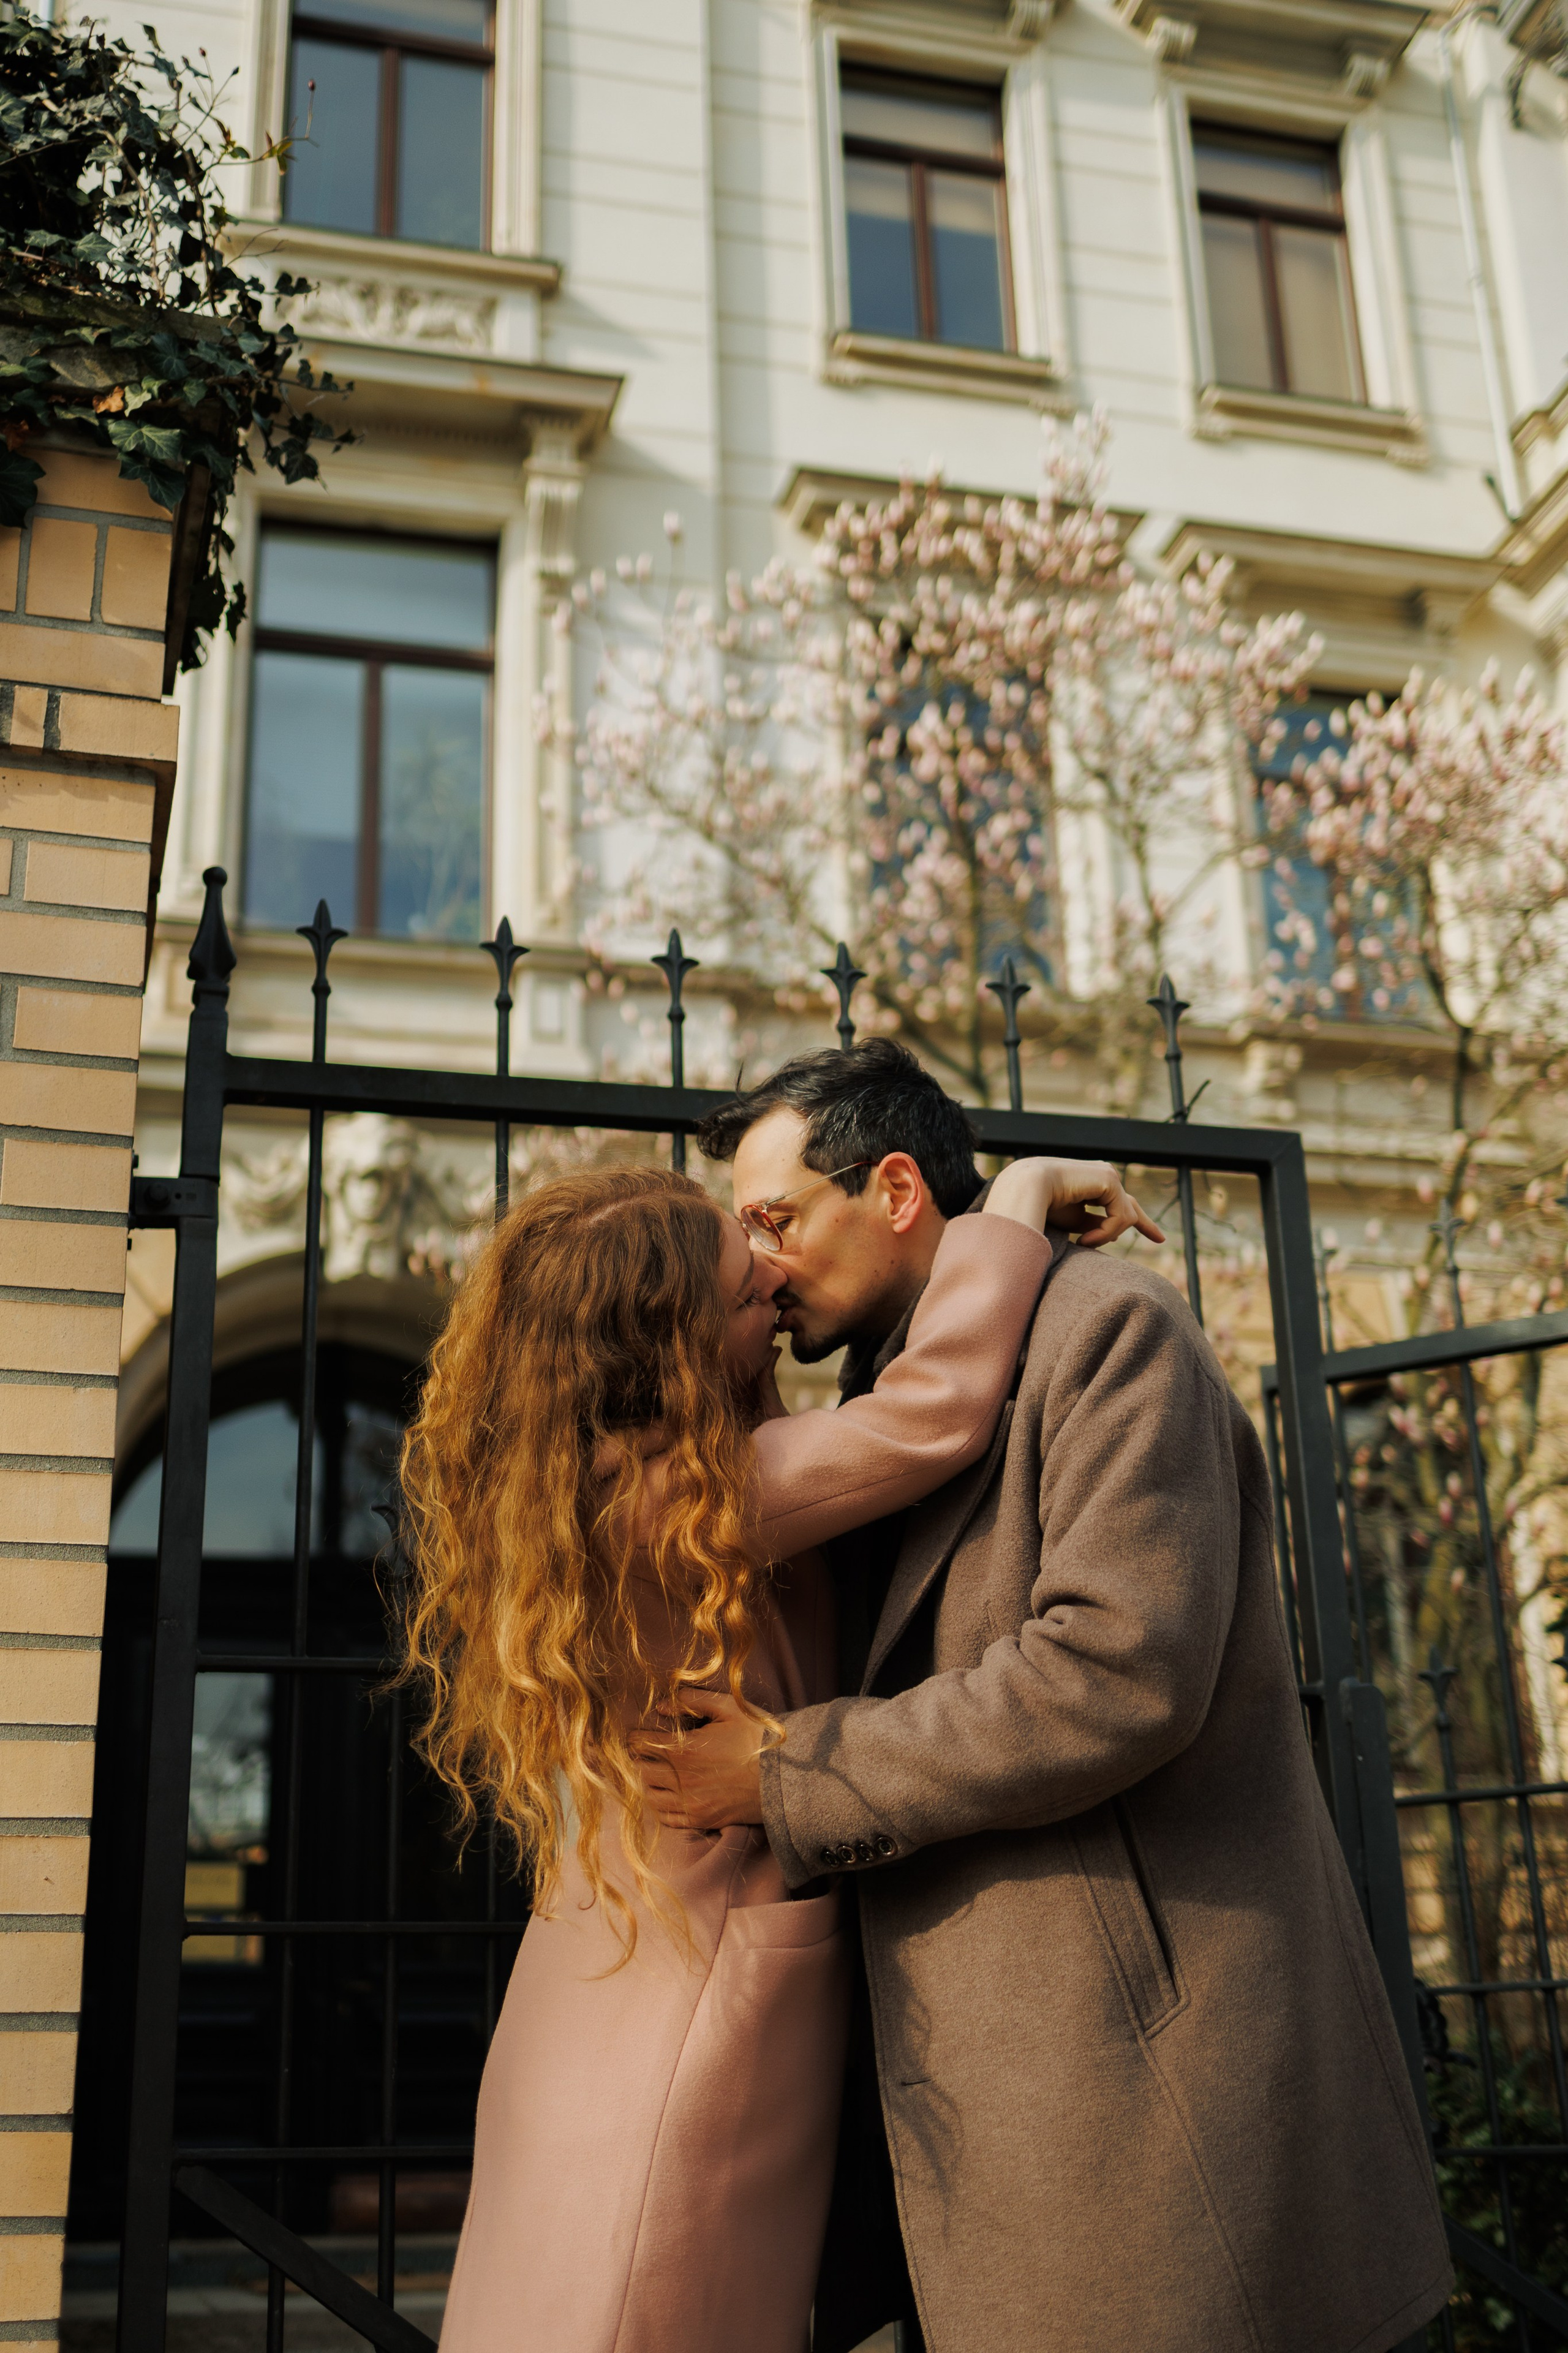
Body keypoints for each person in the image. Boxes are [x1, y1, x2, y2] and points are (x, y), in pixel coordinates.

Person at [643, 1038, 1455, 2353]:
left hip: (1135, 2084)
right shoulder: (889, 1405)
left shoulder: (1104, 1329)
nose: (757, 1265)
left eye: (774, 1219)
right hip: (962, 2094)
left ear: (895, 1188)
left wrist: (791, 1770)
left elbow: (1115, 1672)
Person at [396, 1150, 1159, 2353]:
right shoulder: (686, 1501)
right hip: (690, 2010)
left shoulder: (615, 1477)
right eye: (737, 1278)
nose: (766, 1270)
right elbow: (933, 1413)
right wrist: (1006, 1203)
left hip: (606, 1976)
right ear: (673, 1342)